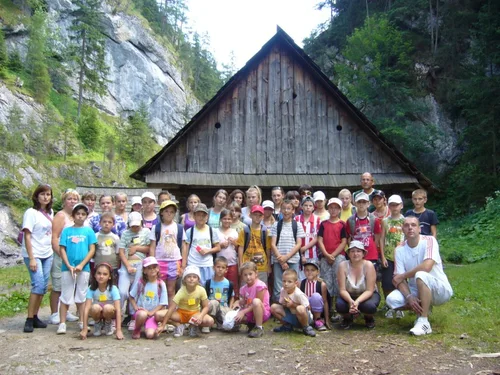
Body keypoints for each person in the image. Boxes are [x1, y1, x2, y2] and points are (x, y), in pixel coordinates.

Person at [386, 217, 453, 336]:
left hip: (439, 289)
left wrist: (404, 276)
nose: (410, 228)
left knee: (421, 275)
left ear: (419, 228)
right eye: (406, 225)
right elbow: (398, 279)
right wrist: (409, 296)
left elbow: (427, 266)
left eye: (413, 225)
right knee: (392, 300)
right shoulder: (399, 250)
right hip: (416, 289)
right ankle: (423, 308)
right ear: (402, 229)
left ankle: (424, 321)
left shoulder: (430, 240)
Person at [57, 203, 97, 334]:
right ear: (73, 215)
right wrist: (68, 264)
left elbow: (92, 249)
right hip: (67, 267)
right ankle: (62, 323)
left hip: (83, 268)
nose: (80, 216)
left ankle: (82, 321)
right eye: (78, 214)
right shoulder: (67, 231)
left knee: (82, 295)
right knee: (66, 294)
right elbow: (62, 248)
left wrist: (81, 265)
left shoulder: (88, 231)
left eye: (83, 214)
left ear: (86, 216)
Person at [21, 184, 54, 333]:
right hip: (34, 254)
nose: (46, 197)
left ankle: (35, 316)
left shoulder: (51, 212)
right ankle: (28, 319)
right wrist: (32, 258)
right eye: (43, 194)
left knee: (43, 287)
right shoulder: (31, 212)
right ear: (36, 196)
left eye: (48, 194)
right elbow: (27, 236)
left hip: (47, 253)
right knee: (37, 284)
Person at [156, 265, 214, 338]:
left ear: (198, 279)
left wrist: (200, 316)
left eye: (194, 277)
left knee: (210, 321)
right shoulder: (181, 292)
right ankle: (178, 325)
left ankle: (193, 326)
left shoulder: (201, 290)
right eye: (189, 277)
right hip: (180, 313)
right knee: (158, 315)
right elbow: (171, 309)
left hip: (194, 313)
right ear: (184, 279)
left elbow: (206, 307)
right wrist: (163, 325)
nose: (191, 279)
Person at [50, 188, 80, 325]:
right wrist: (61, 255)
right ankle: (54, 313)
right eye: (70, 199)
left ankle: (65, 311)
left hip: (72, 256)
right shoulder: (60, 216)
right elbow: (55, 237)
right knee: (57, 285)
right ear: (64, 201)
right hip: (60, 256)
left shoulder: (74, 217)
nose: (72, 201)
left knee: (68, 285)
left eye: (75, 199)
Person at [118, 211, 151, 329]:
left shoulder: (146, 232)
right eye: (133, 225)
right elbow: (121, 251)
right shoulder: (125, 233)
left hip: (140, 264)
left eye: (137, 225)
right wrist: (127, 265)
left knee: (135, 291)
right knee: (122, 291)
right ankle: (116, 315)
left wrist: (136, 248)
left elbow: (149, 247)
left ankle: (133, 316)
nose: (135, 228)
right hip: (126, 265)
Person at [149, 200, 185, 308]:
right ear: (162, 213)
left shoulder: (179, 227)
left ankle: (170, 314)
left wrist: (183, 265)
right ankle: (159, 313)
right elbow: (152, 246)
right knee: (159, 288)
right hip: (160, 262)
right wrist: (152, 263)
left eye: (172, 212)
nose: (169, 214)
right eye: (167, 211)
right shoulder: (156, 227)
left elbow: (183, 246)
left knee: (171, 290)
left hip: (174, 261)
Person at [336, 241, 380, 329]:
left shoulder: (369, 265)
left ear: (363, 253)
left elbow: (369, 290)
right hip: (348, 294)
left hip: (367, 295)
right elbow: (342, 290)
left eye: (358, 251)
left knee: (369, 306)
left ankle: (368, 318)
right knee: (340, 305)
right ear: (348, 254)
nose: (355, 254)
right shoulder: (342, 266)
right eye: (352, 251)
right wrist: (350, 301)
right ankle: (347, 318)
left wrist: (357, 302)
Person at [270, 200, 306, 302]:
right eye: (284, 208)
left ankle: (294, 306)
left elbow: (298, 244)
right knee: (278, 285)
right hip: (278, 260)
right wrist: (282, 260)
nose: (286, 211)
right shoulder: (276, 225)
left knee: (293, 283)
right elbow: (273, 244)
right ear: (280, 210)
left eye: (288, 208)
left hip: (293, 259)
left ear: (293, 210)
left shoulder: (297, 225)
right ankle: (279, 307)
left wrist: (286, 257)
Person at [80, 262, 123, 340]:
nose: (101, 276)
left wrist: (118, 330)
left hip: (109, 312)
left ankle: (108, 323)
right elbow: (86, 309)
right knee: (95, 307)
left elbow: (118, 309)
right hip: (97, 312)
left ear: (109, 277)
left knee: (107, 308)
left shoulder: (113, 289)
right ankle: (97, 323)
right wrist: (84, 328)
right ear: (95, 275)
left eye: (105, 274)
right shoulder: (91, 288)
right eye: (99, 273)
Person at [317, 198, 347, 308]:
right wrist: (326, 254)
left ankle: (339, 306)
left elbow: (344, 241)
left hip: (338, 256)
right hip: (325, 256)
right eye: (331, 208)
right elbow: (320, 239)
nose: (333, 210)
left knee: (338, 280)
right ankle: (327, 307)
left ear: (340, 210)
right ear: (328, 209)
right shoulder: (323, 224)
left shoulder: (342, 224)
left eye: (336, 208)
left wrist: (333, 255)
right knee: (326, 281)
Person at [129, 257, 168, 339]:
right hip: (141, 312)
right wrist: (136, 308)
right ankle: (137, 329)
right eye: (149, 268)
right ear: (144, 271)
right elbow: (131, 296)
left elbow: (162, 303)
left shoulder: (161, 284)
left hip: (153, 315)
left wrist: (151, 313)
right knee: (142, 314)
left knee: (150, 335)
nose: (152, 270)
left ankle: (148, 326)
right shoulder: (141, 282)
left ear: (158, 269)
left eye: (154, 267)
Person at [380, 195, 405, 319]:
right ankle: (390, 306)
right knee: (387, 283)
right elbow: (382, 238)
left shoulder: (405, 221)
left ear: (401, 206)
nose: (394, 207)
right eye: (392, 205)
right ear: (388, 206)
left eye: (396, 205)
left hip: (402, 257)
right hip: (388, 256)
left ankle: (400, 307)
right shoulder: (385, 221)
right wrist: (383, 257)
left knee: (401, 281)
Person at [182, 203, 220, 285]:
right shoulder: (190, 231)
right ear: (194, 216)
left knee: (207, 288)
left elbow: (218, 247)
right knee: (193, 288)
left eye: (203, 215)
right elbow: (186, 249)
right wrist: (183, 265)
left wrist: (208, 251)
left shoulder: (212, 231)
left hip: (207, 265)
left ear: (207, 217)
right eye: (198, 215)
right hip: (193, 264)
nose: (201, 217)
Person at [271, 269, 316, 337]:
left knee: (300, 308)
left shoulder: (298, 294)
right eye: (284, 281)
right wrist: (285, 304)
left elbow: (308, 307)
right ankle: (287, 326)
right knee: (273, 307)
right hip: (291, 314)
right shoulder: (283, 290)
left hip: (303, 317)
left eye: (289, 282)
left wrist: (293, 305)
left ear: (296, 283)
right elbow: (282, 304)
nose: (286, 284)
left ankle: (306, 327)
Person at [346, 193, 381, 278]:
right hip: (356, 255)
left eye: (364, 202)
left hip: (371, 254)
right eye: (359, 202)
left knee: (371, 278)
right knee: (357, 278)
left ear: (368, 203)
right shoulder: (350, 220)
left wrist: (373, 247)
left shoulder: (374, 219)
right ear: (355, 203)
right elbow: (348, 237)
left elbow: (377, 236)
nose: (361, 204)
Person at [234, 262, 271, 338]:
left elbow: (257, 303)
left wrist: (243, 312)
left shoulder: (260, 286)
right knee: (235, 317)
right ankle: (251, 325)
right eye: (245, 275)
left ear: (256, 273)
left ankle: (259, 327)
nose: (248, 277)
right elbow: (244, 302)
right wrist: (238, 303)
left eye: (250, 274)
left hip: (262, 312)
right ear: (242, 276)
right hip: (250, 313)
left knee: (256, 301)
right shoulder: (243, 289)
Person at [237, 205, 271, 284]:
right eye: (255, 215)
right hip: (246, 267)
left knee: (261, 289)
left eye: (260, 215)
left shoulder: (265, 231)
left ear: (263, 216)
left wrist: (268, 266)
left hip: (262, 267)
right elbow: (241, 248)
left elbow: (268, 249)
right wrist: (240, 265)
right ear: (250, 215)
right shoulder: (244, 230)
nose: (257, 217)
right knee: (246, 291)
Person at [204, 256, 236, 332]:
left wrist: (230, 308)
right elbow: (205, 297)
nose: (220, 269)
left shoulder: (228, 283)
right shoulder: (208, 283)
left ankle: (219, 323)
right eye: (218, 267)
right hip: (212, 306)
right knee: (213, 302)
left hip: (224, 307)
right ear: (213, 267)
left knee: (233, 326)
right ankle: (208, 323)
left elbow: (232, 297)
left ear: (226, 270)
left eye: (223, 267)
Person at [295, 196, 321, 280]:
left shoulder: (317, 220)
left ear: (313, 207)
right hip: (298, 254)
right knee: (301, 278)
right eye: (305, 205)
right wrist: (300, 252)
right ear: (301, 206)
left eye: (310, 206)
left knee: (313, 277)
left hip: (312, 254)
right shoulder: (296, 219)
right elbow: (294, 236)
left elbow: (317, 237)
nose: (308, 208)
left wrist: (304, 248)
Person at [300, 259, 330, 331]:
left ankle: (318, 320)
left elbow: (325, 302)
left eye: (312, 270)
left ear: (317, 272)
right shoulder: (301, 283)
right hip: (306, 310)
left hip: (318, 310)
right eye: (307, 270)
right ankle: (305, 321)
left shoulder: (321, 284)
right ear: (304, 271)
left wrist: (327, 320)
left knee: (316, 296)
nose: (309, 272)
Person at [215, 210, 239, 298]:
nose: (227, 221)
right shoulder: (216, 231)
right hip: (220, 264)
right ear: (221, 219)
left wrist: (234, 243)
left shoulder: (234, 232)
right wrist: (220, 245)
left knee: (233, 283)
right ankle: (220, 300)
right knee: (220, 282)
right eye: (225, 219)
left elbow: (238, 248)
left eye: (229, 219)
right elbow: (213, 247)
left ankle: (233, 301)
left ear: (232, 220)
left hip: (232, 263)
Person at [94, 213, 120, 284]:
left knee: (112, 285)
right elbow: (92, 251)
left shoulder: (115, 237)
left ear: (113, 224)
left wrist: (117, 266)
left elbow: (118, 253)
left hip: (113, 267)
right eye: (104, 222)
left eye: (109, 222)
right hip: (98, 267)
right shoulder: (95, 236)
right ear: (100, 223)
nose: (106, 224)